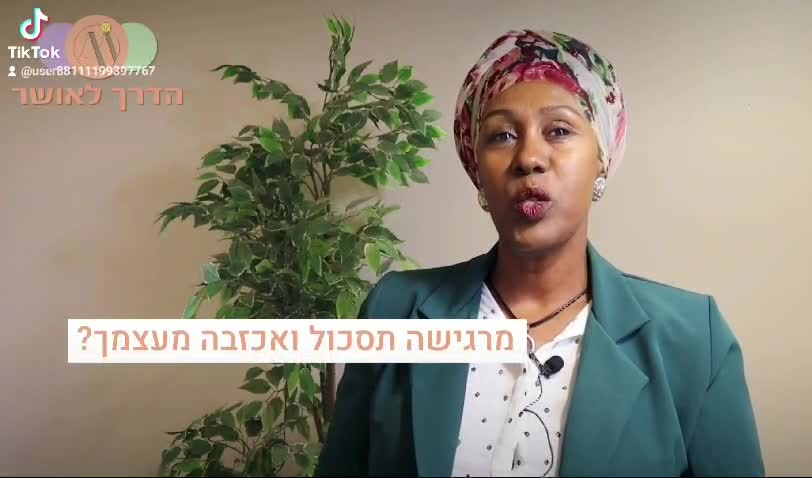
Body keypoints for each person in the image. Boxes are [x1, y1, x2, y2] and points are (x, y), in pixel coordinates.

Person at [315, 29, 764, 477]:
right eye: (502, 136)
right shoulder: (396, 309)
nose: (529, 157)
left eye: (559, 130)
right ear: (477, 169)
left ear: (602, 158)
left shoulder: (694, 339)